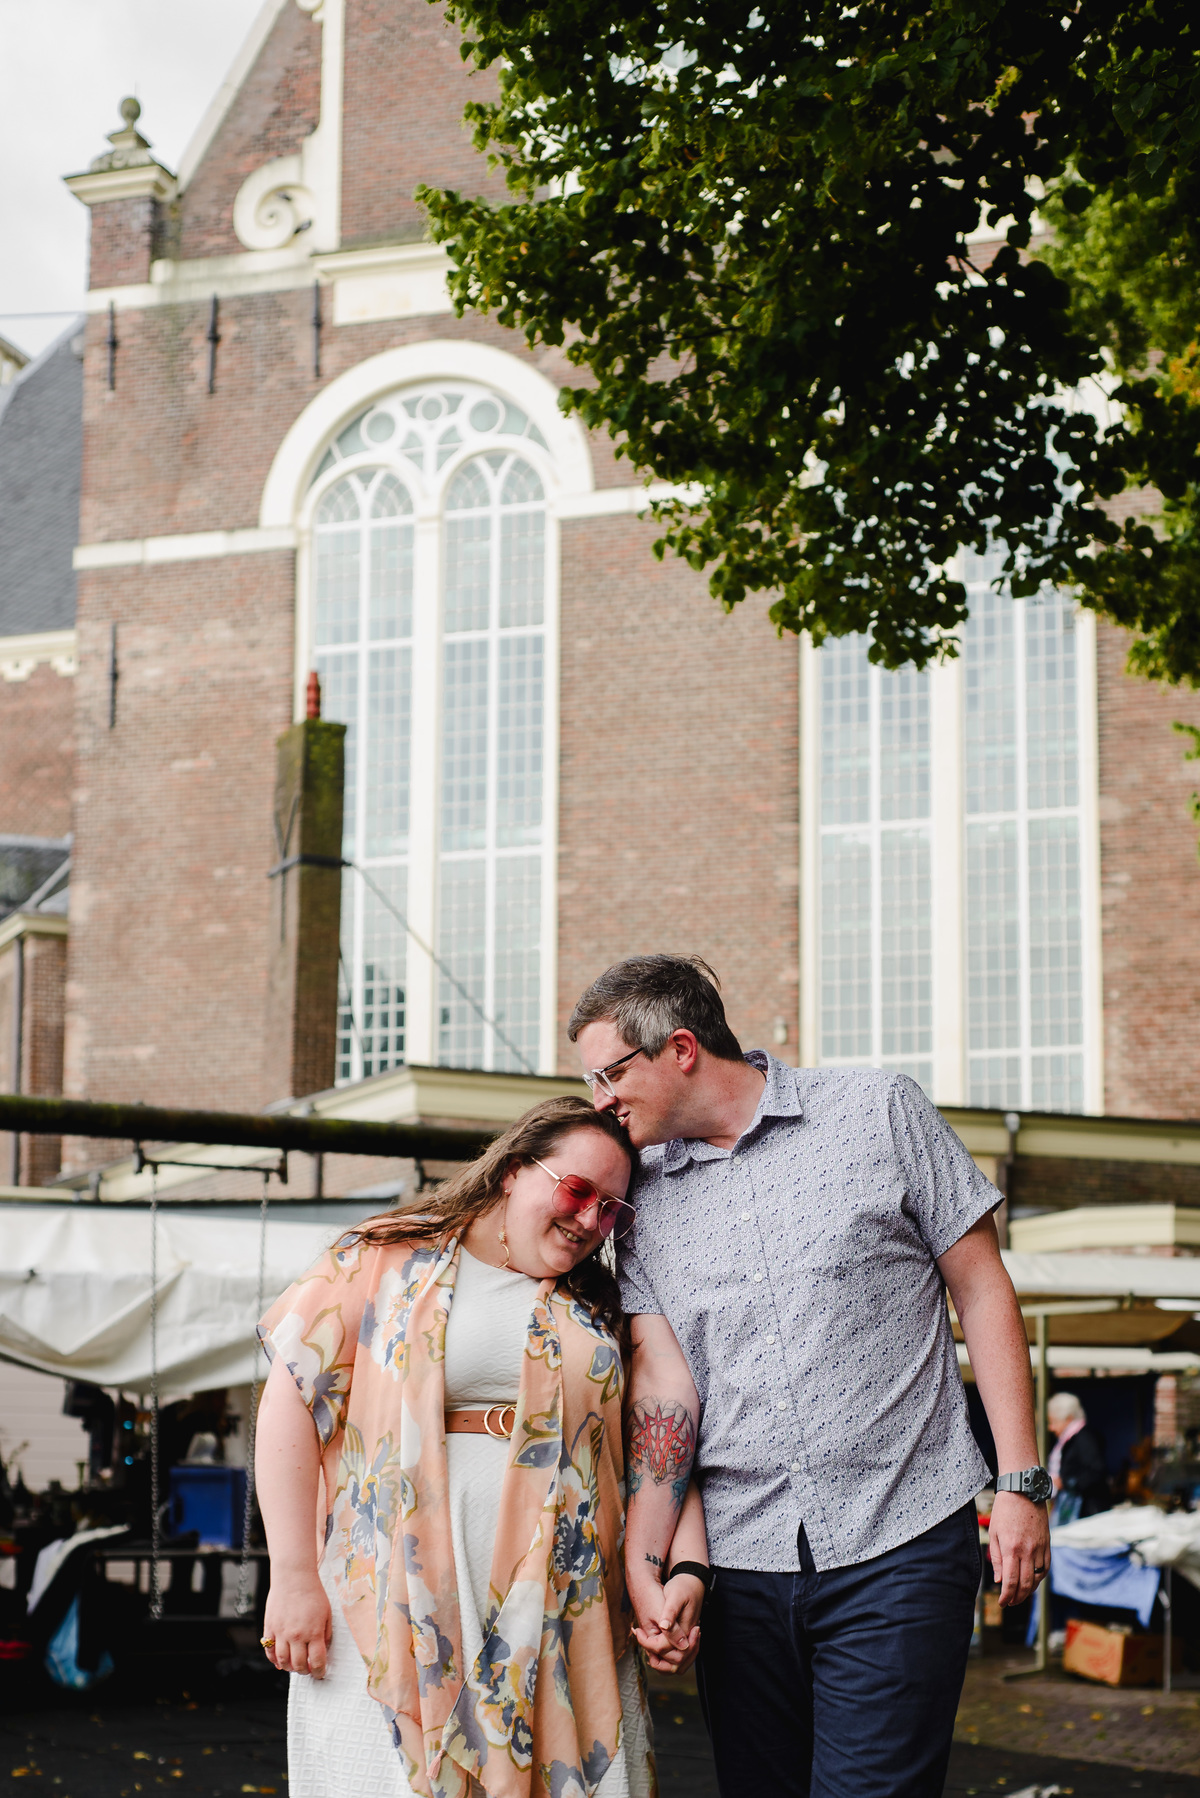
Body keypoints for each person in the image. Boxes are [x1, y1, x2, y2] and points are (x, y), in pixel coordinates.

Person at [569, 954, 1053, 1798]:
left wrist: (1021, 1480)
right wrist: (656, 1562)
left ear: (681, 1048)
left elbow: (981, 1288)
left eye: (611, 1074)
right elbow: (664, 1395)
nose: (601, 1100)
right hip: (743, 1565)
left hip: (899, 1541)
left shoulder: (878, 1110)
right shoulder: (637, 1196)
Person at [253, 1096, 699, 1798]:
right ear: (513, 1171)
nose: (589, 1221)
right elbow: (289, 1407)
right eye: (577, 1191)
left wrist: (682, 1569)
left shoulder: (603, 1306)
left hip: (568, 1605)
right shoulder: (381, 1258)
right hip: (389, 1590)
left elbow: (656, 1449)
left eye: (610, 1210)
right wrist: (293, 1575)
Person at [1048, 1391, 1111, 1523]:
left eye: (1054, 1421)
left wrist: (1065, 1482)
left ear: (1069, 1418)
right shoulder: (1070, 1439)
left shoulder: (1084, 1439)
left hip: (1087, 1512)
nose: (1051, 1428)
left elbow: (1096, 1472)